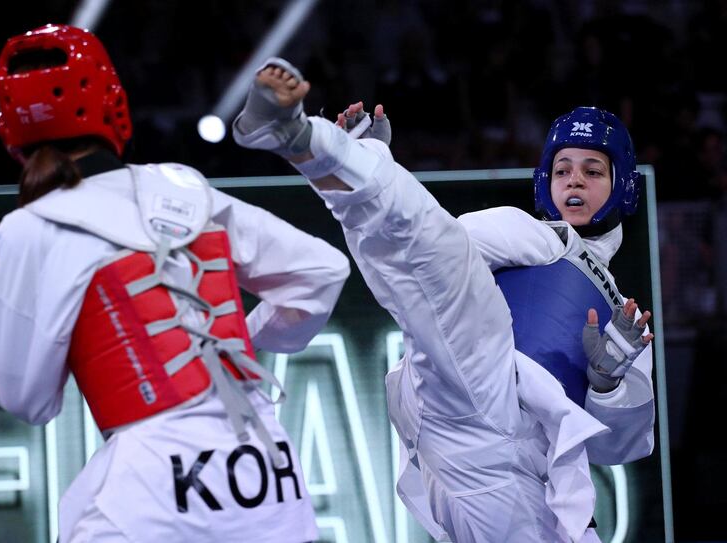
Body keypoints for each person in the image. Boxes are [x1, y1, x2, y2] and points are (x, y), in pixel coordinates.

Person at [233, 59, 655, 542]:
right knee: (428, 258)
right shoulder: (528, 232)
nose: (574, 180)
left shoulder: (624, 319)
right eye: (563, 169)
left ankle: (331, 154)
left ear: (622, 185)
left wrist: (607, 384)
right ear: (545, 181)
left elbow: (622, 447)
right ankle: (311, 145)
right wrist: (372, 164)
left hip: (521, 479)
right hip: (476, 410)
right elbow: (428, 252)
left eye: (592, 170)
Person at [0, 25, 350, 543]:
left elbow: (26, 398)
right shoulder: (182, 185)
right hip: (268, 471)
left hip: (155, 487)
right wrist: (239, 343)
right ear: (112, 104)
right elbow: (322, 270)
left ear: (11, 131)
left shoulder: (32, 228)